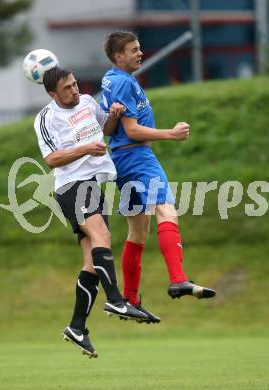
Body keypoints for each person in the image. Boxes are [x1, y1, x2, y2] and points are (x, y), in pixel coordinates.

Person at [101, 31, 216, 323]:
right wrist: (171, 134)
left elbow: (109, 129)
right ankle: (178, 278)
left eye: (139, 48)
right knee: (167, 209)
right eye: (134, 49)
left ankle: (131, 299)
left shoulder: (111, 80)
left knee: (138, 232)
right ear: (118, 56)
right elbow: (133, 130)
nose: (140, 53)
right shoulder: (124, 82)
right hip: (138, 158)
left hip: (121, 160)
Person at [33, 67, 147, 359]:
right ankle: (116, 299)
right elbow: (51, 159)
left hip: (95, 184)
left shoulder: (87, 102)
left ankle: (77, 327)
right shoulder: (46, 118)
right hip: (71, 186)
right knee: (103, 235)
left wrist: (113, 116)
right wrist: (85, 150)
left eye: (74, 85)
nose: (74, 91)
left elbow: (105, 131)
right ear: (52, 94)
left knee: (92, 260)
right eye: (67, 88)